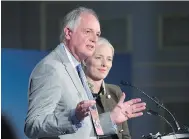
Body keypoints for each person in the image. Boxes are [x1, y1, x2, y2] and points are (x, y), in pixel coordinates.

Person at [24, 7, 146, 139]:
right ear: (68, 33)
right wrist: (73, 117)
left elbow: (86, 129)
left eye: (97, 34)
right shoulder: (51, 68)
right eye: (88, 32)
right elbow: (33, 125)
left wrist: (111, 118)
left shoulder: (76, 69)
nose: (94, 39)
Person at [83, 37, 132, 139]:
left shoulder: (115, 92)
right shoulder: (75, 91)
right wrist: (110, 119)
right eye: (98, 57)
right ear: (85, 60)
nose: (105, 64)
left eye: (109, 59)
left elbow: (125, 136)